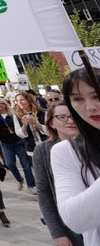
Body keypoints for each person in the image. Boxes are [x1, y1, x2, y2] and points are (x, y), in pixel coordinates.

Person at [51, 68, 100, 245]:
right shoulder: (66, 152)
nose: (90, 107)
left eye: (96, 96)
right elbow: (75, 220)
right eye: (78, 99)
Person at [33, 101, 84, 246]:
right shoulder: (43, 151)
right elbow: (44, 192)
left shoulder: (92, 144)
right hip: (69, 224)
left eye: (73, 116)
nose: (70, 121)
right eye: (62, 117)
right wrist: (57, 233)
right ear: (51, 123)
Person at [0, 98, 37, 193]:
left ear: (5, 104)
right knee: (10, 164)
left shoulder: (14, 114)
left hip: (19, 142)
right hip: (5, 144)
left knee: (26, 165)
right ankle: (20, 180)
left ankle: (31, 185)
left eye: (0, 103)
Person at [15, 90, 48, 156]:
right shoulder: (17, 116)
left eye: (22, 100)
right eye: (18, 101)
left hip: (47, 146)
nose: (20, 102)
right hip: (32, 150)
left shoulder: (43, 112)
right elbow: (20, 134)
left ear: (29, 100)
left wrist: (36, 123)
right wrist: (24, 125)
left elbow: (49, 131)